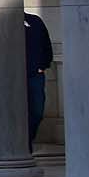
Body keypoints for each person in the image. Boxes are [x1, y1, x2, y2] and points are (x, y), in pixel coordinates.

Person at [24, 10, 54, 151]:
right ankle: (24, 145)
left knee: (37, 111)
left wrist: (42, 65)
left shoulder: (35, 21)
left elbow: (46, 45)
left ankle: (27, 140)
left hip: (34, 76)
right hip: (11, 77)